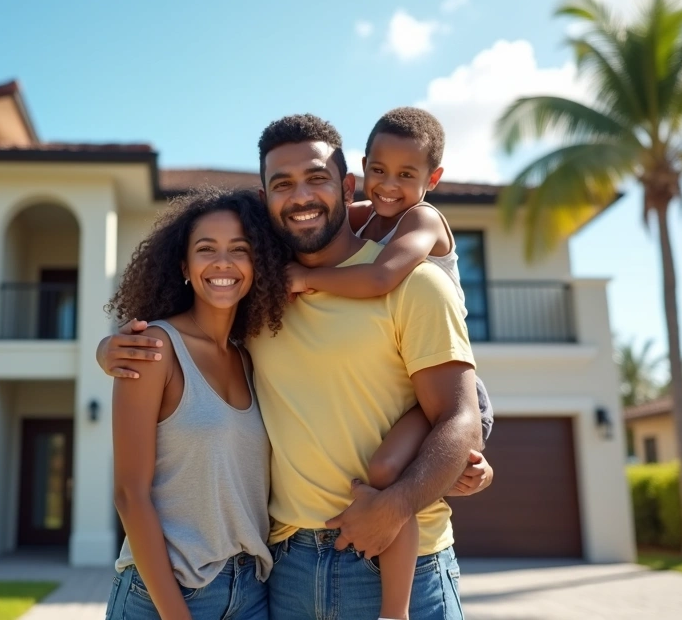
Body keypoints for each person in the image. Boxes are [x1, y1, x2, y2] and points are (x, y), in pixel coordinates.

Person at [101, 114, 483, 620]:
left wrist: (396, 505)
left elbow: (461, 418)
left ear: (348, 186)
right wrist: (113, 347)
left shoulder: (412, 282)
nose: (301, 197)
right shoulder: (261, 298)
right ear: (265, 198)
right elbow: (192, 331)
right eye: (283, 184)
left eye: (317, 179)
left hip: (400, 561)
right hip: (286, 572)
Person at [282, 106, 496, 619]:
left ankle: (395, 611)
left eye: (407, 175)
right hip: (295, 557)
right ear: (362, 167)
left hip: (462, 387)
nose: (389, 185)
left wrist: (307, 280)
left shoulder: (420, 219)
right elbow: (311, 218)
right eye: (379, 171)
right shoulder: (366, 213)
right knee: (389, 471)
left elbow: (381, 278)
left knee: (384, 473)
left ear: (433, 179)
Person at [105, 187, 291, 620]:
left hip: (250, 592)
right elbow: (129, 494)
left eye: (239, 250)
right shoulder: (154, 347)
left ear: (256, 264)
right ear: (185, 266)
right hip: (164, 595)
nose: (223, 263)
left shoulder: (250, 357)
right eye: (206, 249)